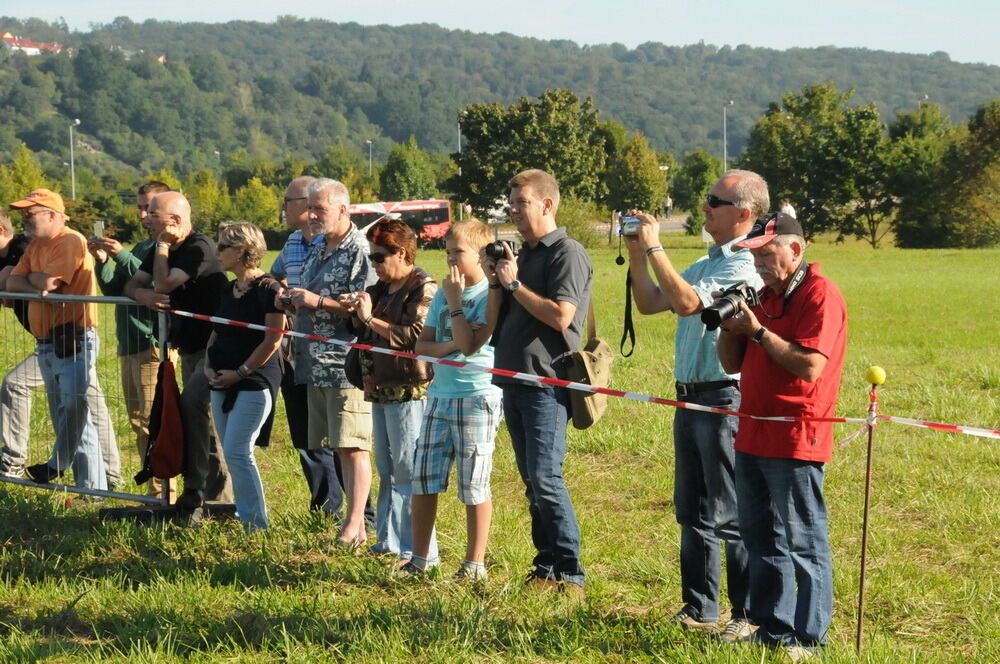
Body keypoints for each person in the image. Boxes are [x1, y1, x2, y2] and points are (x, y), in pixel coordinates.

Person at [625, 170, 767, 637]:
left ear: (744, 214)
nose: (704, 207)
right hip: (689, 397)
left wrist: (654, 246)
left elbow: (687, 304)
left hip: (723, 395)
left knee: (729, 510)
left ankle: (746, 615)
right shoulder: (706, 263)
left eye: (714, 201)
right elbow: (649, 302)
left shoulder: (742, 266)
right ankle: (700, 610)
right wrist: (634, 251)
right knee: (693, 509)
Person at [717, 212, 847, 658]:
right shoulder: (765, 295)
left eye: (766, 254)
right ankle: (774, 627)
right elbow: (731, 365)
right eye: (754, 256)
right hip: (751, 431)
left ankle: (810, 638)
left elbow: (811, 367)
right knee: (759, 537)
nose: (758, 265)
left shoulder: (820, 294)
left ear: (795, 249)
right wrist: (729, 324)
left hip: (796, 435)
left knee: (804, 540)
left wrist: (756, 331)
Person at [482, 169, 592, 595]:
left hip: (547, 382)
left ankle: (571, 572)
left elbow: (562, 315)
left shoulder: (567, 252)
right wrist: (497, 282)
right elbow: (498, 322)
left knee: (546, 478)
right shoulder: (522, 255)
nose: (512, 209)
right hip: (514, 379)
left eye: (520, 202)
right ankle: (546, 566)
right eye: (511, 202)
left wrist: (514, 283)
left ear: (547, 204)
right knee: (531, 480)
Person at [279, 178, 375, 548]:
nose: (312, 214)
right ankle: (357, 524)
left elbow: (364, 306)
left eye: (319, 208)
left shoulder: (359, 250)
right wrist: (291, 300)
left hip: (345, 364)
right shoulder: (318, 247)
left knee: (353, 446)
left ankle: (356, 522)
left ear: (343, 210)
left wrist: (315, 301)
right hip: (314, 363)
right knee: (337, 445)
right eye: (311, 207)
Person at [406, 220, 503, 580]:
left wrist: (454, 306)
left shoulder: (489, 296)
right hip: (439, 395)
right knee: (424, 478)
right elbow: (422, 346)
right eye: (447, 252)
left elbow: (472, 344)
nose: (450, 259)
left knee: (473, 482)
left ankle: (474, 563)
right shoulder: (446, 294)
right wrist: (448, 345)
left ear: (480, 255)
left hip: (477, 396)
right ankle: (420, 559)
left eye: (458, 252)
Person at [0, 209, 121, 488]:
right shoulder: (33, 246)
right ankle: (101, 480)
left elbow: (49, 284)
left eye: (32, 214)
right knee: (84, 407)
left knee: (67, 404)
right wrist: (32, 281)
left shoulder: (64, 241)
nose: (26, 220)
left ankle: (34, 464)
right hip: (48, 341)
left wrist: (29, 280)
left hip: (70, 339)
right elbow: (12, 285)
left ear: (53, 215)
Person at [125, 191, 231, 510]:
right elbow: (133, 286)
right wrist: (142, 297)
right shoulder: (166, 247)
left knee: (196, 408)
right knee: (196, 414)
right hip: (189, 347)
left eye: (152, 214)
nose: (144, 218)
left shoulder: (198, 247)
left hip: (217, 345)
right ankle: (204, 492)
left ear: (174, 220)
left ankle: (210, 494)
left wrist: (161, 248)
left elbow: (163, 284)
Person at [342, 218, 438, 564]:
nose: (374, 265)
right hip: (379, 387)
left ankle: (417, 547)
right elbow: (365, 330)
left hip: (409, 389)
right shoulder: (382, 288)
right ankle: (389, 540)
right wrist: (356, 311)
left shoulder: (423, 286)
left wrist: (369, 319)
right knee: (387, 466)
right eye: (371, 258)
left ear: (401, 252)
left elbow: (413, 336)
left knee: (406, 469)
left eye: (379, 258)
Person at [89, 180, 174, 500]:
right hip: (128, 344)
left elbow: (150, 278)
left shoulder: (161, 247)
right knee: (139, 422)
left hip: (152, 344)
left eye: (149, 209)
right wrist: (102, 262)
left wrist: (121, 254)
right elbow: (115, 290)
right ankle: (153, 488)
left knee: (155, 422)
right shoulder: (141, 245)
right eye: (140, 208)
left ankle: (164, 490)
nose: (142, 215)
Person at [204, 222, 283, 531]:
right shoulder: (228, 287)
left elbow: (273, 339)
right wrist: (210, 366)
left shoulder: (269, 288)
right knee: (232, 451)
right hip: (220, 379)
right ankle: (246, 516)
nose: (217, 252)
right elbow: (216, 331)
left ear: (240, 251)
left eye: (222, 246)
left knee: (238, 451)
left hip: (253, 381)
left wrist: (240, 373)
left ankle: (256, 524)